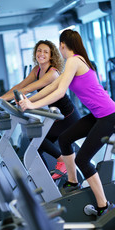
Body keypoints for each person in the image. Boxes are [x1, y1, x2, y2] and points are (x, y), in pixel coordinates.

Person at [19, 29, 115, 216]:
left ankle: (104, 206)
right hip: (98, 114)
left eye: (59, 47)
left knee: (83, 160)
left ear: (63, 45)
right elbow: (52, 86)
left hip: (109, 115)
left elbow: (60, 92)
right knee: (64, 139)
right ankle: (73, 181)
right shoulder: (75, 62)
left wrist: (32, 104)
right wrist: (29, 100)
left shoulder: (73, 61)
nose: (60, 51)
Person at [0, 40, 80, 180]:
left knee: (37, 138)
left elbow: (27, 89)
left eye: (45, 52)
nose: (41, 54)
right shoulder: (36, 70)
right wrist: (1, 98)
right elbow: (20, 86)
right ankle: (43, 178)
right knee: (35, 144)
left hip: (67, 116)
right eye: (39, 50)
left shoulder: (52, 73)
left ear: (51, 56)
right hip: (56, 115)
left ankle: (62, 160)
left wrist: (2, 99)